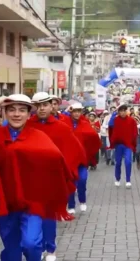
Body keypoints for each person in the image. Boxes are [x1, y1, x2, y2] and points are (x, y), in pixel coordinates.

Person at [0, 94, 73, 261]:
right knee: (12, 252)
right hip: (7, 203)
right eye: (11, 110)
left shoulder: (39, 136)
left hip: (33, 203)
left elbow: (56, 161)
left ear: (28, 114)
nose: (16, 114)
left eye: (22, 110)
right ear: (4, 113)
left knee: (31, 244)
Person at [28, 92, 85, 261]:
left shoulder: (62, 128)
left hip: (51, 180)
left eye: (45, 105)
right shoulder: (27, 126)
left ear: (52, 106)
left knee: (48, 216)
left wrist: (67, 172)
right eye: (37, 106)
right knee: (30, 217)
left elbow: (72, 150)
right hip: (29, 180)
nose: (42, 108)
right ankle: (35, 248)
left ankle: (50, 248)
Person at [63, 103, 101, 211]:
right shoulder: (65, 122)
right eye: (74, 111)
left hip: (82, 159)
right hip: (69, 159)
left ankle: (82, 200)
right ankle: (71, 205)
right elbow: (57, 118)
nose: (76, 114)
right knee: (70, 183)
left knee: (82, 180)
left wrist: (90, 153)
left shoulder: (85, 124)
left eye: (79, 111)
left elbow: (93, 138)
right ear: (71, 112)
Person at [108, 104, 138, 188]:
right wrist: (113, 115)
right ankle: (117, 179)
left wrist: (133, 142)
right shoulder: (115, 120)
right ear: (119, 112)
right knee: (118, 163)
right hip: (119, 145)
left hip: (128, 145)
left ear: (126, 111)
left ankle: (128, 180)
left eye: (124, 111)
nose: (123, 113)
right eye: (121, 111)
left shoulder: (131, 120)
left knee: (128, 162)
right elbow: (110, 126)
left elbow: (135, 132)